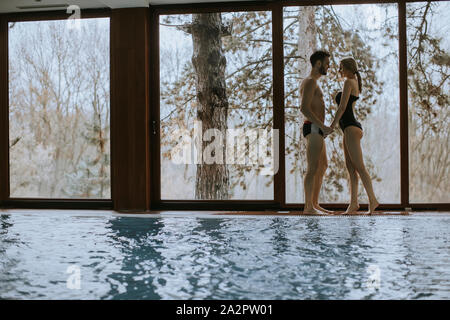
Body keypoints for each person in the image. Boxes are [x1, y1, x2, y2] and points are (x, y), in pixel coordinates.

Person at [330, 57, 379, 214]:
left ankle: (373, 200)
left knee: (359, 167)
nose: (340, 71)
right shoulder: (353, 82)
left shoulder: (348, 82)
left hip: (351, 128)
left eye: (341, 68)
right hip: (348, 129)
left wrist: (331, 125)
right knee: (351, 168)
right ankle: (353, 204)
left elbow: (343, 106)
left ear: (349, 68)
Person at [299, 50, 334, 215]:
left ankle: (314, 203)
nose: (329, 66)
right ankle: (308, 207)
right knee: (312, 167)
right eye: (327, 63)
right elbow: (304, 108)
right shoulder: (310, 81)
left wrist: (323, 127)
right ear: (318, 63)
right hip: (312, 127)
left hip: (317, 128)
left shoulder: (314, 83)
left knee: (323, 165)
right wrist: (322, 126)